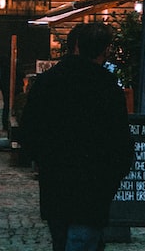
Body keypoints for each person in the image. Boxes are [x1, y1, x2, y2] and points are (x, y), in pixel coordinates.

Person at [19, 21, 133, 251]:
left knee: (61, 242)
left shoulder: (48, 81)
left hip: (56, 181)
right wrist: (113, 175)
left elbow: (29, 130)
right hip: (94, 187)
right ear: (105, 50)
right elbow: (120, 140)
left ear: (76, 46)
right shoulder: (108, 87)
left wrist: (42, 160)